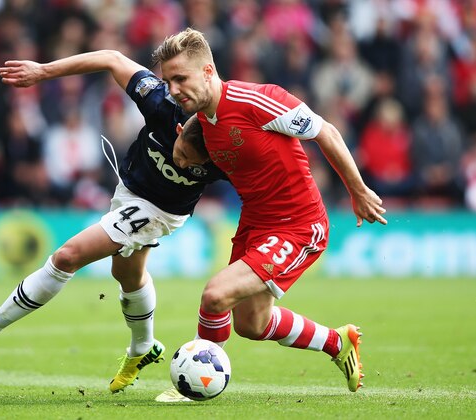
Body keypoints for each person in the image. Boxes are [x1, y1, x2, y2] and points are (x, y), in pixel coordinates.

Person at [0, 49, 228, 393]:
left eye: (191, 164)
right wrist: (43, 71)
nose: (182, 164)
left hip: (161, 212)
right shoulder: (160, 104)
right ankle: (143, 348)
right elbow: (111, 57)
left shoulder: (226, 154)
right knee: (127, 273)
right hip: (130, 191)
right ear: (179, 129)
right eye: (180, 153)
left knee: (67, 256)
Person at [152, 28, 387, 401]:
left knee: (215, 296)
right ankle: (337, 342)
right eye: (168, 81)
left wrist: (358, 191)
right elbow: (192, 154)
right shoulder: (203, 123)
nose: (175, 89)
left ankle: (193, 385)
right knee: (251, 323)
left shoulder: (258, 100)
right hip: (256, 224)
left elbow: (326, 131)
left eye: (181, 78)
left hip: (298, 225)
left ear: (209, 71)